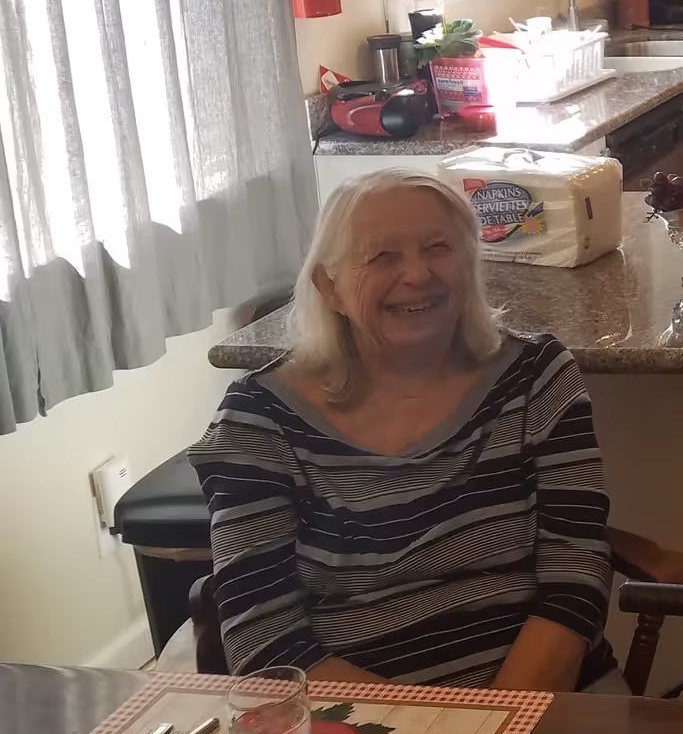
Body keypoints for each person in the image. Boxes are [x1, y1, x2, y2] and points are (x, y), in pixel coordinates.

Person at [190, 170, 618, 689]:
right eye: (382, 257)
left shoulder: (538, 377)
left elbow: (575, 576)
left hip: (547, 700)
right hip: (358, 725)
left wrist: (495, 731)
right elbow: (263, 639)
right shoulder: (258, 421)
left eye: (439, 247)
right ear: (330, 287)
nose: (418, 274)